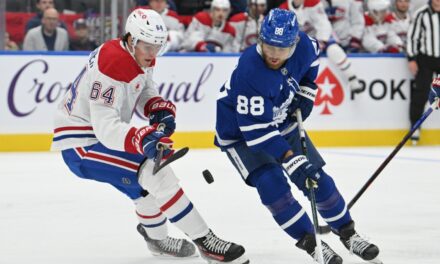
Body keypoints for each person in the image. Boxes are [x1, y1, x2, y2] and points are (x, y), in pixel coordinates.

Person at [51, 8, 249, 264]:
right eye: (148, 47)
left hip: (95, 137)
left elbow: (144, 88)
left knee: (142, 190)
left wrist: (157, 109)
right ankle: (207, 242)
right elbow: (106, 128)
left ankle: (157, 240)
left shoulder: (138, 53)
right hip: (83, 144)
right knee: (156, 174)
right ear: (132, 40)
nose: (153, 54)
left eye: (158, 46)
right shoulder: (111, 63)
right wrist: (142, 137)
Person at [215, 8, 381, 264]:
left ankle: (349, 234)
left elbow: (310, 65)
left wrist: (306, 91)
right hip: (241, 133)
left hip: (281, 119)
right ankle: (313, 244)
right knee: (273, 187)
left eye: (282, 49)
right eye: (269, 46)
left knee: (316, 178)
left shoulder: (305, 45)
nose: (274, 55)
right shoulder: (251, 71)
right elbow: (257, 131)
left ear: (294, 43)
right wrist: (290, 158)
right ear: (260, 39)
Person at [279, 0, 364, 93]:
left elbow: (323, 23)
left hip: (319, 36)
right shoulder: (283, 9)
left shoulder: (313, 3)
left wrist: (321, 41)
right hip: (299, 41)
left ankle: (352, 78)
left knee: (334, 50)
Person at [406, 0, 440, 145]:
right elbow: (412, 37)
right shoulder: (421, 13)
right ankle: (415, 126)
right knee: (421, 92)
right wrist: (412, 58)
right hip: (426, 59)